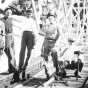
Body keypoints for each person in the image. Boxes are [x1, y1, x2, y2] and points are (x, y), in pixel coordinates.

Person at [18, 10, 37, 80]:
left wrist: (35, 40)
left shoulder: (33, 21)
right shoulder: (23, 19)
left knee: (29, 52)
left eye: (30, 13)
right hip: (24, 34)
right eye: (28, 13)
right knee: (22, 51)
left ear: (31, 14)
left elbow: (35, 31)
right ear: (26, 13)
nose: (29, 14)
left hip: (31, 35)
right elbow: (20, 28)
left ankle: (24, 67)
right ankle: (20, 67)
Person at [41, 13, 59, 79]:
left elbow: (59, 34)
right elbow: (41, 32)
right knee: (45, 58)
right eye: (49, 18)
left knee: (55, 56)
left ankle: (57, 69)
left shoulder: (56, 25)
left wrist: (55, 40)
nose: (50, 19)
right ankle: (47, 73)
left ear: (54, 18)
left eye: (51, 18)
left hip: (53, 42)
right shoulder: (46, 25)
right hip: (46, 42)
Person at [4, 9, 17, 74]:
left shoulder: (11, 19)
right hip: (6, 37)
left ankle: (11, 69)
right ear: (5, 13)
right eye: (7, 12)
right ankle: (15, 69)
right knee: (10, 54)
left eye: (10, 12)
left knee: (13, 53)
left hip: (12, 37)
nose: (9, 13)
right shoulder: (2, 20)